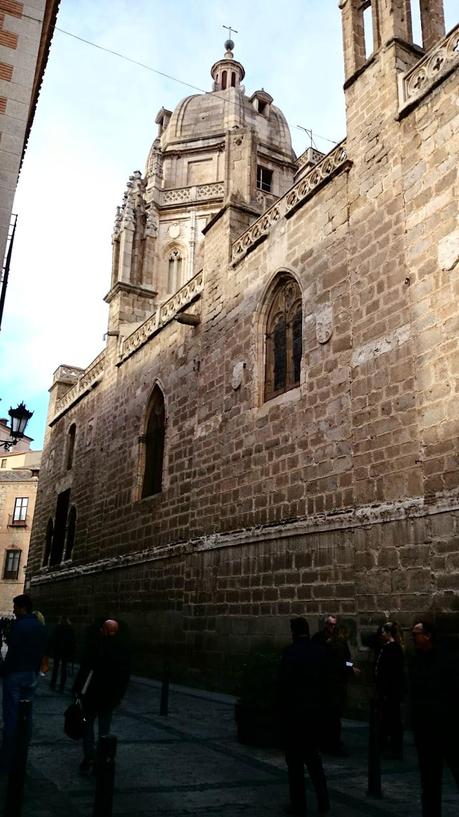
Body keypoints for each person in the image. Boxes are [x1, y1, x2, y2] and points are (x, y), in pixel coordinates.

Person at [277, 617, 330, 816]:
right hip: (315, 716)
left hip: (295, 718)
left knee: (295, 765)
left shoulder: (290, 653)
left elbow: (283, 686)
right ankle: (324, 801)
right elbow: (327, 683)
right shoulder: (320, 651)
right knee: (315, 762)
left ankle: (298, 805)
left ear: (293, 632)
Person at [408, 620, 459, 817]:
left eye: (416, 634)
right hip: (426, 733)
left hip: (447, 729)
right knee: (429, 783)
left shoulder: (446, 660)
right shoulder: (415, 660)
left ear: (428, 635)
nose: (413, 637)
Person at [74, 618, 131, 773]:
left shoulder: (95, 647)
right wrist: (119, 696)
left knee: (87, 726)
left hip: (91, 696)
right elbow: (125, 676)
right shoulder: (121, 649)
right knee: (104, 729)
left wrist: (77, 691)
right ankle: (102, 758)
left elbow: (84, 671)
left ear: (104, 630)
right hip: (109, 697)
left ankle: (89, 757)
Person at [0, 594, 47, 770]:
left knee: (11, 716)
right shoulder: (40, 626)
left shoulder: (19, 625)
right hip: (32, 675)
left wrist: (4, 670)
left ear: (22, 608)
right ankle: (22, 753)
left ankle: (6, 757)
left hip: (15, 675)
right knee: (27, 715)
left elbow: (12, 650)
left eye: (15, 607)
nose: (13, 610)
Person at [312, 615, 357, 756]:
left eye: (334, 625)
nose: (331, 627)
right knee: (326, 716)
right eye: (329, 624)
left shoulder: (340, 641)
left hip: (337, 683)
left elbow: (346, 659)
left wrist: (351, 667)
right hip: (324, 683)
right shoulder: (318, 639)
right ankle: (326, 742)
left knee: (335, 716)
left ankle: (333, 742)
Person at [374, 621, 405, 759]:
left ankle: (394, 747)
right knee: (388, 719)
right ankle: (388, 745)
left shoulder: (392, 648)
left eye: (383, 632)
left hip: (390, 691)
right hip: (389, 691)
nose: (381, 635)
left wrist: (385, 690)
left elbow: (390, 673)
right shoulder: (388, 647)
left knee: (392, 719)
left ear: (388, 633)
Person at [50, 616, 76, 692]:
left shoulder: (58, 628)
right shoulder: (70, 629)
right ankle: (61, 686)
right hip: (65, 651)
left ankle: (53, 684)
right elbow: (73, 641)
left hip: (58, 650)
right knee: (64, 669)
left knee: (56, 668)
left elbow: (53, 638)